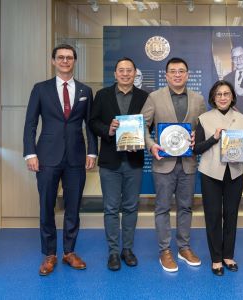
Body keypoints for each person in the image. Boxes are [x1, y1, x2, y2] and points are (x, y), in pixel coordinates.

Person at [23, 44, 98, 276]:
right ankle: (50, 254)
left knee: (73, 206)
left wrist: (92, 152)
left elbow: (90, 125)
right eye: (61, 57)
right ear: (53, 61)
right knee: (46, 205)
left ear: (74, 61)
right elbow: (31, 123)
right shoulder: (40, 89)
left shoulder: (86, 90)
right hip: (46, 157)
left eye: (69, 57)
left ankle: (69, 252)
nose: (65, 61)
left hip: (76, 157)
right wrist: (30, 153)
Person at [140, 57, 206, 273]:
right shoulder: (154, 97)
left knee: (186, 207)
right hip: (163, 164)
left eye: (181, 71)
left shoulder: (198, 99)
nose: (177, 75)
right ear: (166, 75)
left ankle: (184, 248)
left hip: (188, 163)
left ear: (188, 75)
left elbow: (203, 129)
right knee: (162, 208)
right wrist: (150, 145)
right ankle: (165, 250)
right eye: (173, 71)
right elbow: (142, 126)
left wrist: (199, 137)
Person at [89, 58, 149, 271]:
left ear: (135, 73)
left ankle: (128, 250)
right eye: (121, 70)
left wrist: (140, 138)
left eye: (129, 70)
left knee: (131, 207)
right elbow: (93, 122)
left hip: (134, 160)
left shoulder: (145, 97)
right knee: (111, 208)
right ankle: (113, 252)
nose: (125, 74)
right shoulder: (102, 95)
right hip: (110, 162)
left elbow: (150, 125)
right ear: (115, 74)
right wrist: (109, 130)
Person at [194, 80, 243, 276]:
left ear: (232, 97)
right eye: (219, 94)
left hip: (235, 172)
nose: (223, 97)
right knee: (213, 216)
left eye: (226, 94)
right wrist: (214, 139)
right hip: (210, 172)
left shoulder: (242, 119)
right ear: (213, 98)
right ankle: (216, 258)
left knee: (231, 214)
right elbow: (196, 148)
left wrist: (240, 148)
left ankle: (228, 255)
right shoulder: (204, 118)